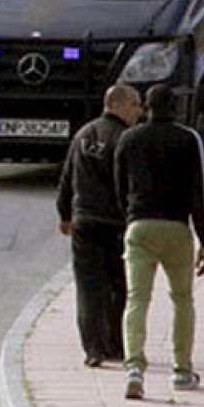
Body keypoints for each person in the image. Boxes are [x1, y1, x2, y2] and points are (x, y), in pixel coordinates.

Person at [115, 83, 204, 399]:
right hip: (176, 228)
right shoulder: (187, 140)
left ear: (145, 107)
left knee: (136, 299)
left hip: (140, 226)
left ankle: (133, 368)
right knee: (182, 299)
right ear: (175, 108)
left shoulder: (128, 139)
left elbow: (119, 188)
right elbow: (199, 192)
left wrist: (129, 219)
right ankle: (182, 370)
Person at [56, 84, 142, 367]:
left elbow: (67, 178)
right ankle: (115, 344)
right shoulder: (126, 139)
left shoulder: (82, 135)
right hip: (115, 224)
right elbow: (130, 185)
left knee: (88, 288)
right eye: (135, 105)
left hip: (84, 222)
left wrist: (65, 214)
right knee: (120, 286)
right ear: (118, 105)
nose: (139, 112)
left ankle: (93, 348)